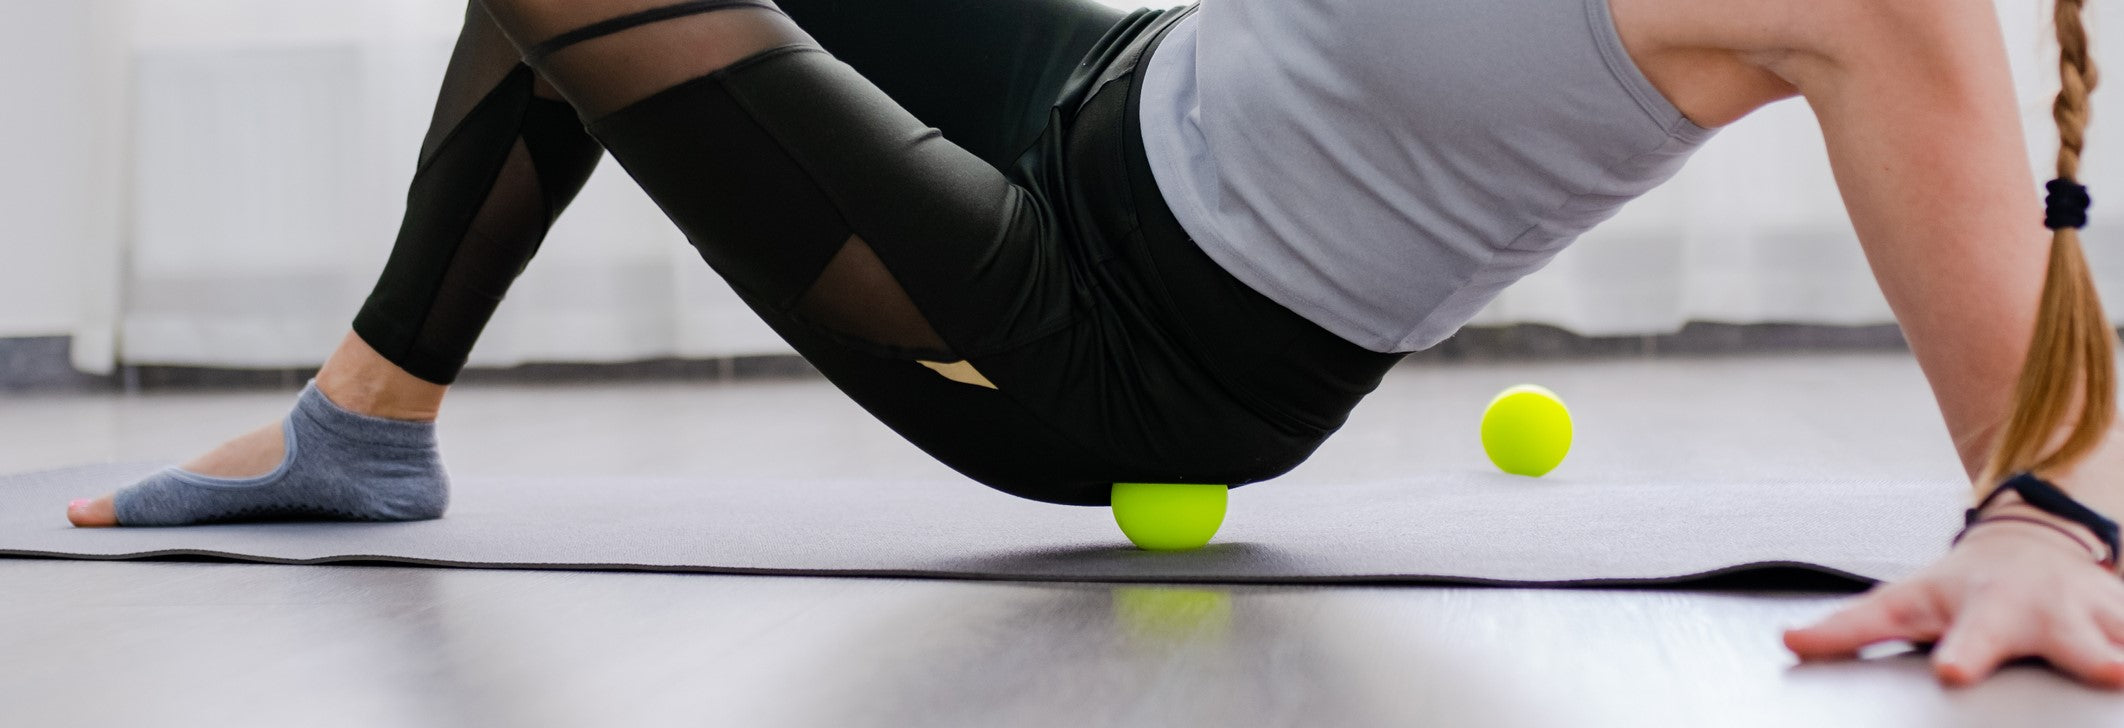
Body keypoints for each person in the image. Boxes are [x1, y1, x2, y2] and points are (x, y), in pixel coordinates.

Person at [62, 0, 2124, 689]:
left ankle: (355, 422)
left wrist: (2057, 520)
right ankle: (369, 420)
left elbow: (2047, 385)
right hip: (1105, 82)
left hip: (1125, 337)